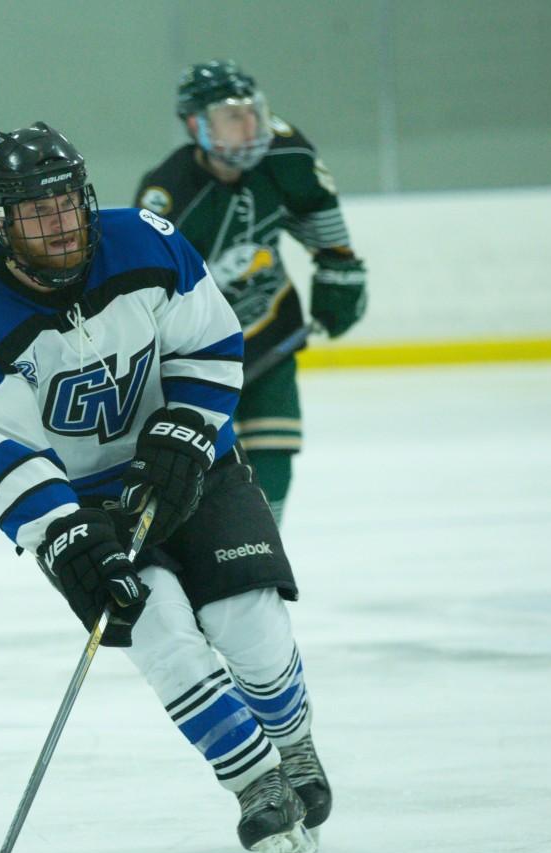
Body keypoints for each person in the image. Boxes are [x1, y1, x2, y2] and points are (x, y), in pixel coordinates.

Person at [0, 122, 331, 853]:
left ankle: (297, 749)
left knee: (249, 620)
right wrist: (65, 535)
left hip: (197, 466)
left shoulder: (147, 242)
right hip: (89, 509)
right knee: (161, 635)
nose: (58, 224)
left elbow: (210, 344)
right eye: (34, 212)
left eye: (65, 203)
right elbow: (7, 455)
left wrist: (183, 429)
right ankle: (253, 783)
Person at [134, 60, 367, 524]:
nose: (250, 125)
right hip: (197, 351)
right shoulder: (169, 195)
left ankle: (262, 546)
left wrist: (339, 269)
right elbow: (146, 293)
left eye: (252, 111)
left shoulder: (287, 155)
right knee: (199, 459)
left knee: (273, 452)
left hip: (270, 323)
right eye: (232, 116)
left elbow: (317, 211)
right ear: (197, 125)